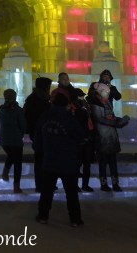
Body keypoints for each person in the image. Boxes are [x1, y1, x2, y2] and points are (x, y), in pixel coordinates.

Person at [34, 90, 87, 227]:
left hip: (49, 159)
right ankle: (75, 219)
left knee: (46, 192)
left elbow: (37, 141)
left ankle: (43, 216)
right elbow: (80, 135)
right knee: (71, 193)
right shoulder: (69, 118)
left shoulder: (44, 117)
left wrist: (41, 150)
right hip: (68, 160)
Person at [89, 81, 129, 191]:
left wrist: (120, 121)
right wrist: (116, 123)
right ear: (101, 92)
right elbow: (99, 119)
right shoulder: (95, 104)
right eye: (106, 92)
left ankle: (115, 183)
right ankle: (104, 184)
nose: (108, 94)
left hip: (110, 135)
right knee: (103, 161)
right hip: (102, 136)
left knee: (112, 161)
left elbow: (111, 116)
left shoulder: (106, 102)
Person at [23, 77, 52, 193]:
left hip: (41, 132)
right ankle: (41, 184)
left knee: (43, 159)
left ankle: (44, 183)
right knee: (41, 159)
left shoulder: (36, 98)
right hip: (39, 133)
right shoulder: (36, 99)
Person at [0, 88, 26, 194]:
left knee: (11, 156)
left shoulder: (1, 109)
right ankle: (16, 186)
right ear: (14, 97)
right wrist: (22, 132)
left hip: (4, 139)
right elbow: (22, 124)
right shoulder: (17, 109)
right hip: (15, 139)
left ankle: (5, 172)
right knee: (17, 162)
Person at [74, 88, 96, 192]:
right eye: (80, 96)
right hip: (80, 139)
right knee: (78, 164)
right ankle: (77, 185)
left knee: (86, 163)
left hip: (87, 137)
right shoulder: (75, 108)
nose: (82, 98)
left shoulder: (85, 106)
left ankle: (84, 185)